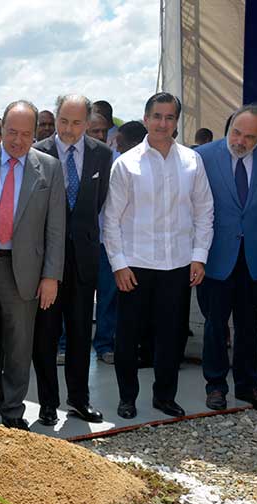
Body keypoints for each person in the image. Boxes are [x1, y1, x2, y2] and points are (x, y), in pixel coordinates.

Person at [103, 92, 214, 420]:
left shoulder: (192, 161)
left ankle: (165, 396)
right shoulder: (127, 163)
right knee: (128, 336)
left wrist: (199, 256)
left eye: (170, 117)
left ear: (177, 122)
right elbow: (111, 218)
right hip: (135, 265)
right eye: (157, 116)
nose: (163, 123)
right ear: (146, 118)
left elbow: (204, 211)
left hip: (178, 264)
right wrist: (119, 264)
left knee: (172, 336)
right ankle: (127, 397)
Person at [0, 100, 66, 431]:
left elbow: (56, 227)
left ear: (35, 133)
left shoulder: (49, 168)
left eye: (26, 133)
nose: (18, 140)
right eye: (12, 132)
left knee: (19, 346)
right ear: (1, 130)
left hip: (24, 271)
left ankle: (12, 412)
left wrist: (51, 276)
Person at [195, 104, 257, 412]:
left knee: (249, 325)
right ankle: (215, 386)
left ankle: (248, 386)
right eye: (236, 132)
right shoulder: (204, 157)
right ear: (228, 125)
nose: (240, 141)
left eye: (249, 137)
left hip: (254, 257)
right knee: (215, 325)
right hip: (216, 255)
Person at [31, 95, 111, 426]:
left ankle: (79, 399)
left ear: (87, 122)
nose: (68, 128)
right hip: (47, 261)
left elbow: (98, 203)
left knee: (80, 333)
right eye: (63, 120)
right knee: (46, 336)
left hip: (83, 260)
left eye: (77, 123)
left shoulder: (102, 155)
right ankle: (48, 403)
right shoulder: (38, 154)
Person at [94, 120, 147, 364]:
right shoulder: (114, 164)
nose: (116, 145)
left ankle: (127, 342)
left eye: (121, 142)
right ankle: (105, 344)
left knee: (132, 299)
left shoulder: (147, 166)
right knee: (109, 295)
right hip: (110, 243)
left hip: (138, 246)